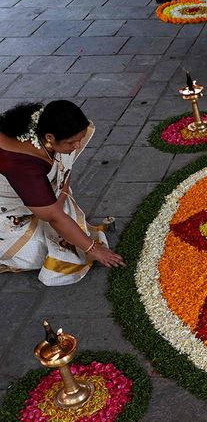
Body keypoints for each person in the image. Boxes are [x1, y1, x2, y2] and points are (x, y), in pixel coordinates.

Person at [0, 101, 125, 286]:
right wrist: (94, 249)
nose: (77, 145)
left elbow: (64, 164)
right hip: (9, 204)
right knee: (37, 250)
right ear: (49, 137)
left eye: (79, 140)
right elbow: (54, 217)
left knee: (62, 221)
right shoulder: (24, 166)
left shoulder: (46, 124)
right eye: (71, 142)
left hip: (32, 189)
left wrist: (61, 194)